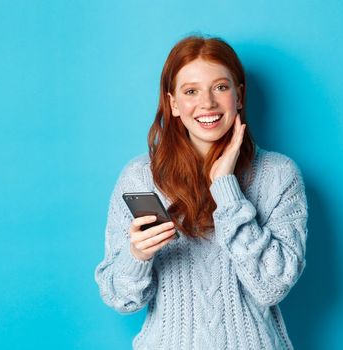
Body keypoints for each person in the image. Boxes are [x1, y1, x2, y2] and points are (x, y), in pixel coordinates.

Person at [94, 35, 308, 350]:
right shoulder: (141, 177)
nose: (207, 103)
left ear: (240, 95)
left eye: (220, 87)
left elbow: (272, 286)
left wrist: (226, 188)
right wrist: (137, 255)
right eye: (191, 91)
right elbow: (120, 298)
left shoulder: (279, 175)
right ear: (173, 104)